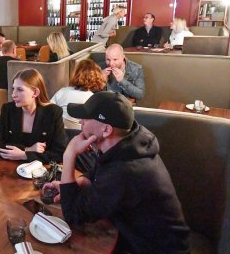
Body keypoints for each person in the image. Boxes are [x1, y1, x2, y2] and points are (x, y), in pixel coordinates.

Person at [44, 92, 190, 253]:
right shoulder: (128, 144)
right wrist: (77, 183)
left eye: (85, 119)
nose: (81, 122)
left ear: (106, 130)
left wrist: (69, 154)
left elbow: (73, 215)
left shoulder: (126, 171)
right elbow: (97, 174)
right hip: (129, 237)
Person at [0, 69, 67, 164]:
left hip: (40, 171)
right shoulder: (8, 109)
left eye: (20, 90)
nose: (13, 95)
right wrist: (27, 149)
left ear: (35, 93)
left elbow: (59, 153)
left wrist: (24, 155)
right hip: (10, 167)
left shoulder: (53, 112)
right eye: (13, 89)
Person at [51, 59, 105, 130]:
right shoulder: (93, 99)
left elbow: (49, 111)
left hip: (60, 132)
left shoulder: (62, 91)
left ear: (75, 74)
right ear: (96, 76)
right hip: (82, 135)